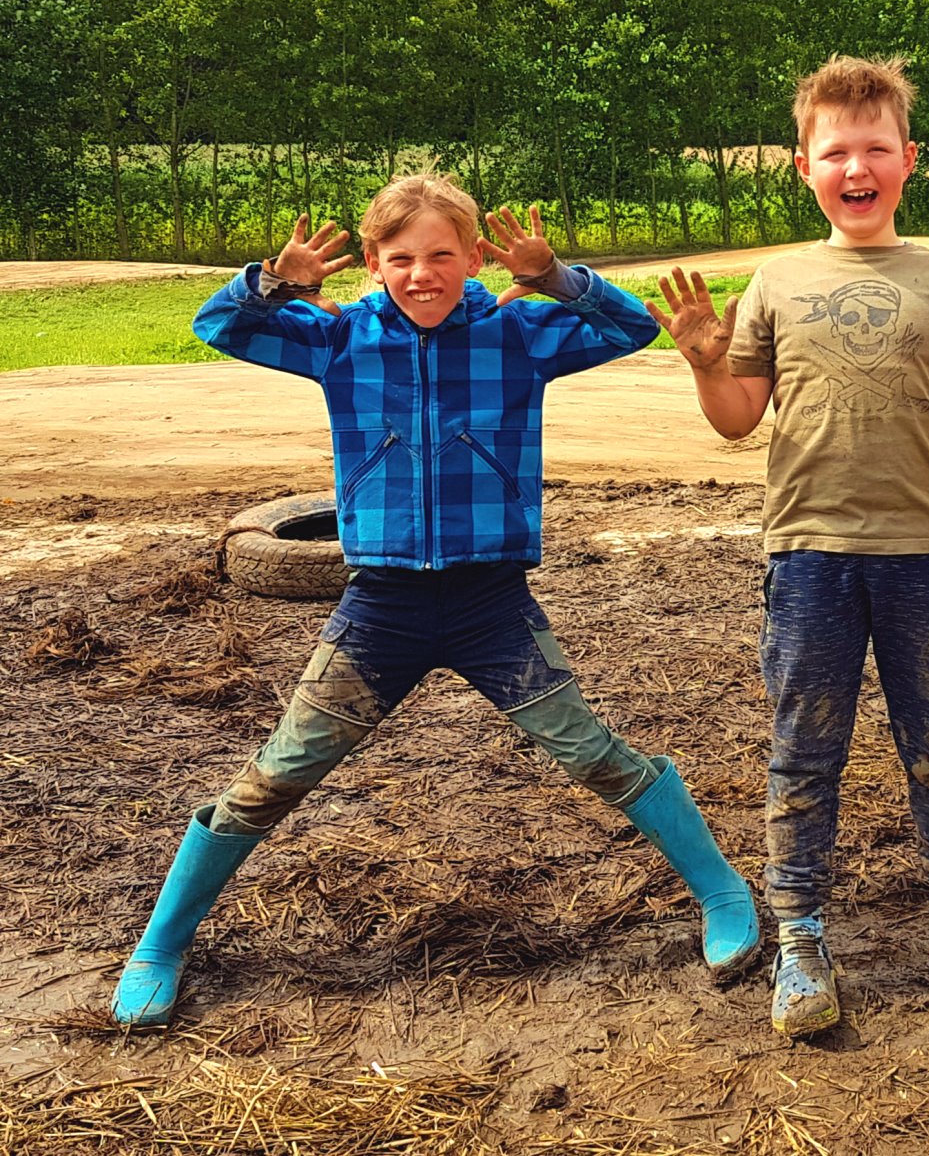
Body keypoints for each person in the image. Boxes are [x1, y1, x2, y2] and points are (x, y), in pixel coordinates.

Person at [111, 172, 759, 1029]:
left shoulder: (516, 333)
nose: (423, 274)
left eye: (442, 255)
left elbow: (631, 326)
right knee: (278, 774)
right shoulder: (339, 338)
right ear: (373, 262)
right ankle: (160, 943)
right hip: (382, 608)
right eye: (403, 258)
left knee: (592, 753)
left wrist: (555, 276)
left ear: (473, 258)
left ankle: (723, 893)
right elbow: (218, 325)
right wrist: (273, 281)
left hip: (491, 604)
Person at [648, 55, 929, 1038]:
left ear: (908, 159)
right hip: (810, 558)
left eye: (876, 148)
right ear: (805, 166)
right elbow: (738, 417)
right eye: (836, 152)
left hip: (927, 555)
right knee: (804, 752)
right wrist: (705, 364)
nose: (856, 166)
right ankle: (802, 942)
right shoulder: (777, 281)